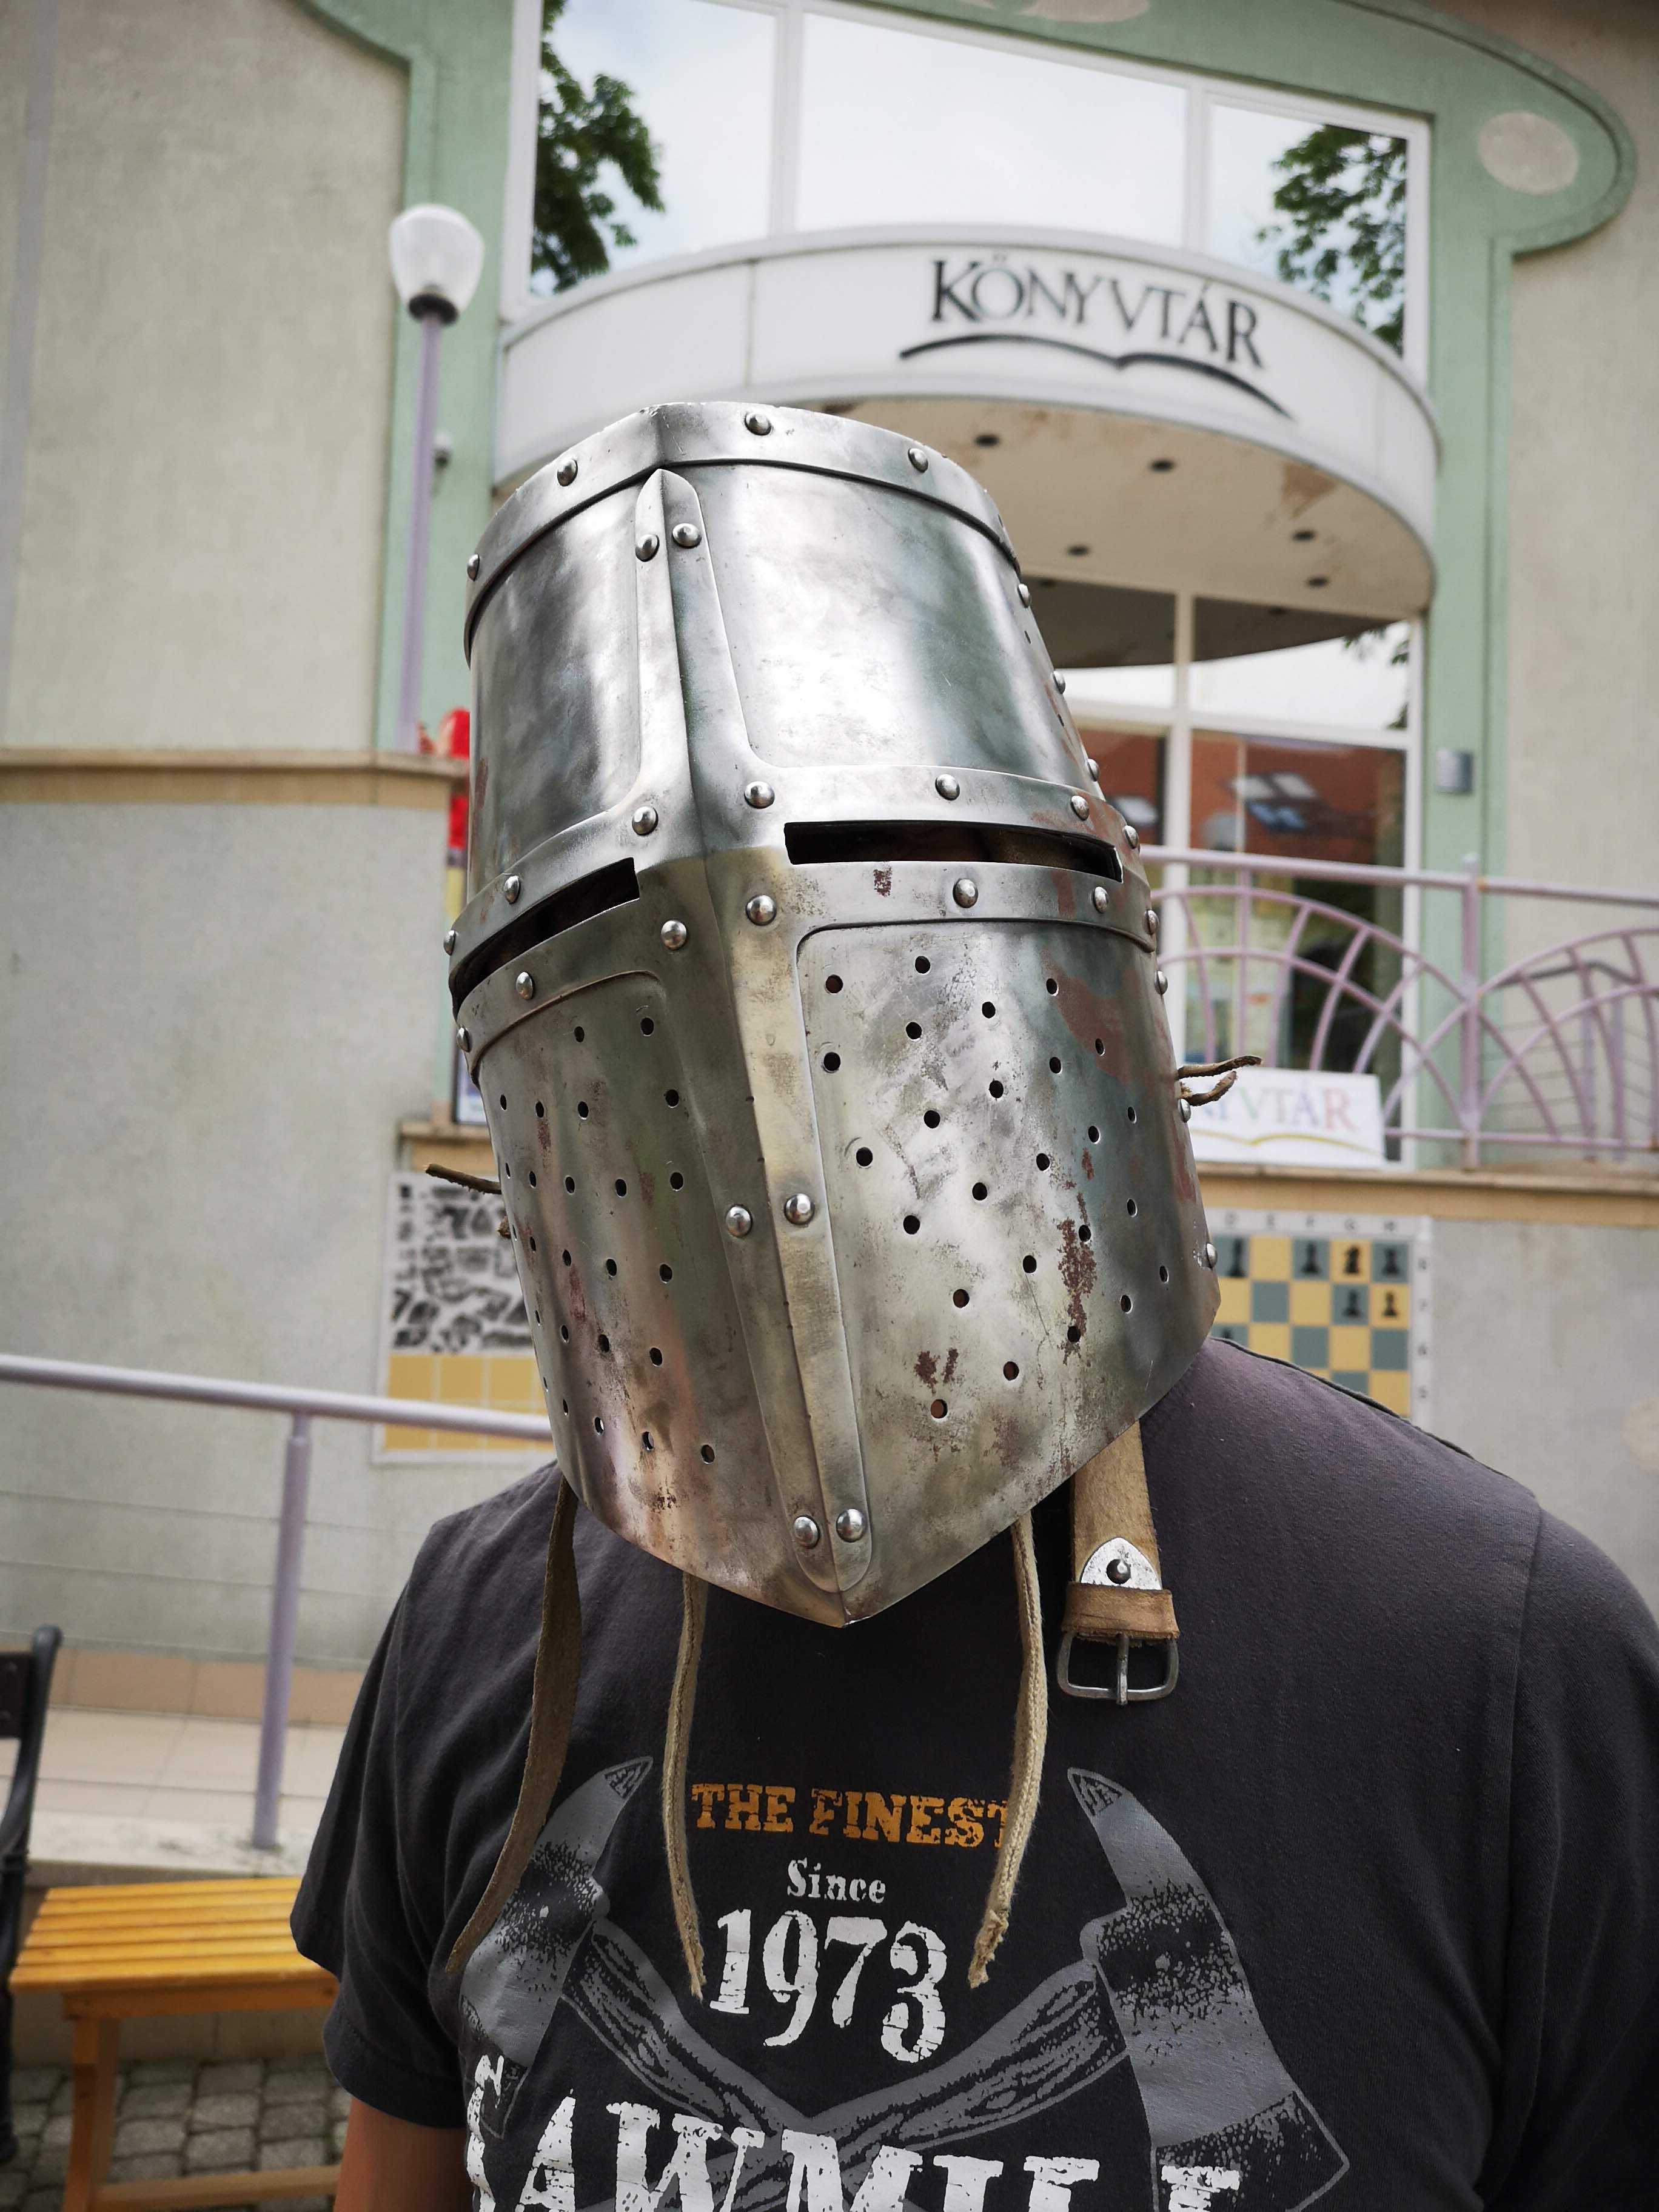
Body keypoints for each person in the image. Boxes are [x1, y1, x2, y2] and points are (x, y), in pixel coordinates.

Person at [296, 406, 1659, 2212]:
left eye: (864, 859)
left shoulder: (1499, 1668)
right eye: (613, 917)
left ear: (1087, 938)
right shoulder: (473, 1626)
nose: (765, 1044)